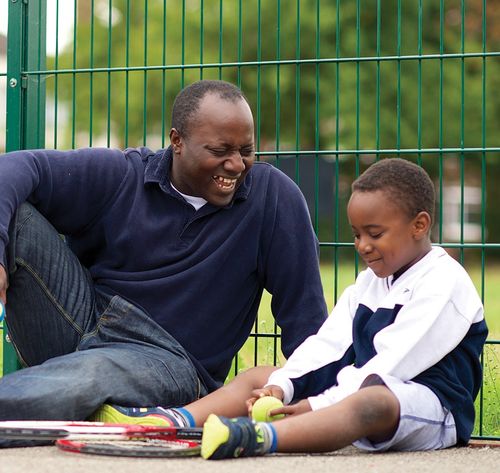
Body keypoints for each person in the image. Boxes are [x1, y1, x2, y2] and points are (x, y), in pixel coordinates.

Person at [93, 158, 488, 459]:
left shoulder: (444, 282)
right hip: (362, 387)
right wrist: (283, 387)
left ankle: (257, 438)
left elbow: (388, 368)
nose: (362, 246)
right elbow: (328, 344)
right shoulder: (373, 281)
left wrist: (315, 406)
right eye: (356, 234)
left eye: (375, 234)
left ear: (419, 225)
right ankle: (170, 422)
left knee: (372, 398)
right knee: (263, 374)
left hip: (431, 410)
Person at [0, 80, 328, 437]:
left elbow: (305, 315)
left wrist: (320, 397)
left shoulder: (273, 198)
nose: (236, 164)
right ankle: (94, 407)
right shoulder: (124, 176)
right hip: (86, 319)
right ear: (177, 142)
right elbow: (18, 167)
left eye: (245, 150)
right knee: (17, 215)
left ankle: (83, 402)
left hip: (170, 359)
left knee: (86, 376)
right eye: (220, 150)